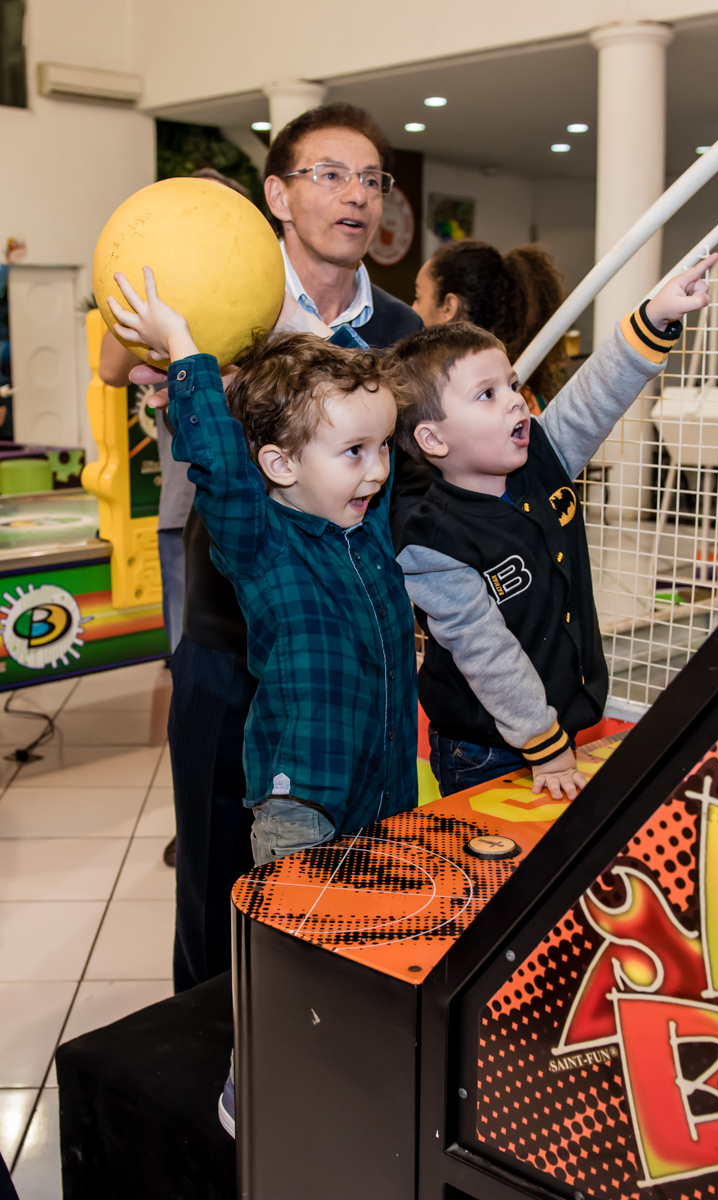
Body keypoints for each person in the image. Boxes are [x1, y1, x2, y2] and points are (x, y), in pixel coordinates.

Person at [107, 264, 418, 1137]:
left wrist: (347, 393)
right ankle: (256, 1085)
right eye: (353, 454)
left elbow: (365, 427)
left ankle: (348, 1062)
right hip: (301, 799)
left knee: (364, 944)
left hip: (384, 785)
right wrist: (182, 348)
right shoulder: (264, 540)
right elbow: (216, 455)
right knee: (288, 955)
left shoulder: (368, 532)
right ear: (279, 465)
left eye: (382, 449)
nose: (375, 471)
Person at [162, 102, 421, 993]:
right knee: (213, 876)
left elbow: (413, 487)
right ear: (276, 192)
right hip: (232, 633)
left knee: (360, 873)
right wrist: (189, 368)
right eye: (330, 174)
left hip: (346, 653)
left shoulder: (398, 333)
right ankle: (215, 1057)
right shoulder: (224, 304)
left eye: (371, 179)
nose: (356, 197)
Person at [390, 256, 718, 801]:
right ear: (434, 440)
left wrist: (655, 317)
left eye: (511, 384)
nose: (516, 399)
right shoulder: (432, 544)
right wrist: (543, 742)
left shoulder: (544, 455)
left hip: (561, 731)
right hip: (484, 749)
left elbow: (595, 395)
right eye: (486, 394)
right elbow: (487, 655)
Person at [98, 168, 254, 872]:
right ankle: (188, 810)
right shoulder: (150, 285)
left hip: (255, 505)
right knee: (189, 664)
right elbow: (111, 364)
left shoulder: (257, 283)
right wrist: (168, 320)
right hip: (184, 507)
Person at [412, 239, 567, 412]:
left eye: (418, 297)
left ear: (449, 307)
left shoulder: (466, 404)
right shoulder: (522, 395)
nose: (412, 308)